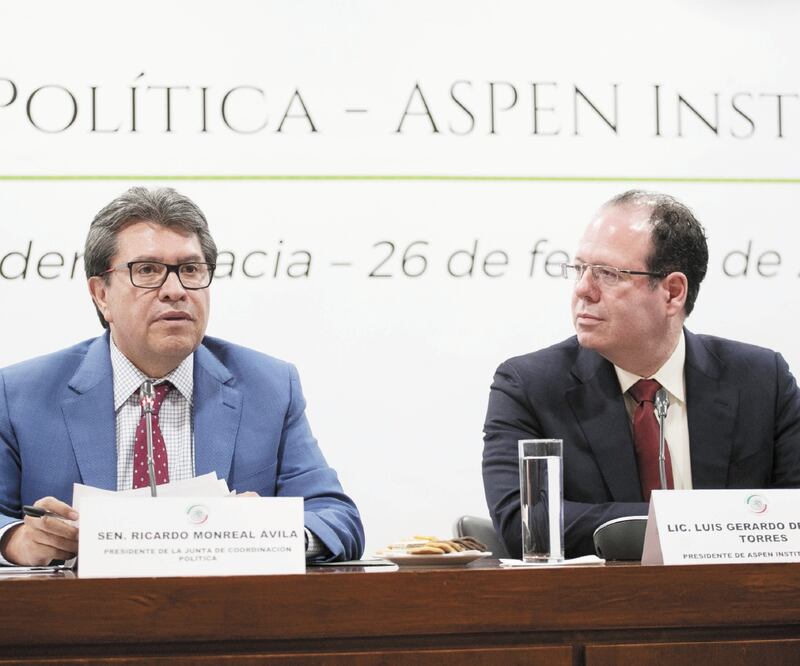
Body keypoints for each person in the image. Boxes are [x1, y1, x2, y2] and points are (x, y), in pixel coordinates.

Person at [0, 187, 364, 566]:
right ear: (101, 295)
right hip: (82, 617)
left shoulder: (268, 387)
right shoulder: (21, 394)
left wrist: (268, 533)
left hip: (224, 617)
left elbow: (337, 519)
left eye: (190, 270)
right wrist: (14, 541)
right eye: (147, 271)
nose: (174, 290)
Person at [483, 190, 800, 558]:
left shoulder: (761, 381)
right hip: (600, 608)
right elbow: (524, 523)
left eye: (608, 274)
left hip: (741, 606)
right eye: (579, 269)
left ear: (672, 293)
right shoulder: (529, 386)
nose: (584, 289)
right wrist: (698, 524)